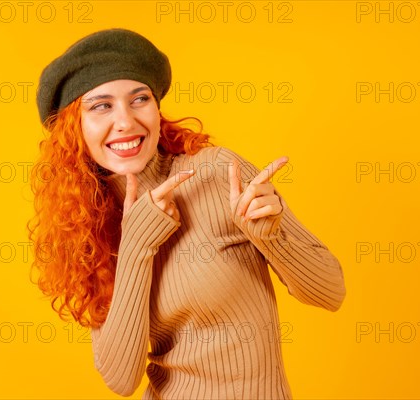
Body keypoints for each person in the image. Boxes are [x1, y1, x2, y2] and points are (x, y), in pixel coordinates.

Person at [29, 28, 346, 400]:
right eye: (101, 106)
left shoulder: (216, 174)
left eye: (139, 99)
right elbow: (121, 379)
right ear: (74, 126)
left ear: (156, 108)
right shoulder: (91, 221)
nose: (126, 121)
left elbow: (331, 292)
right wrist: (135, 247)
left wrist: (271, 236)